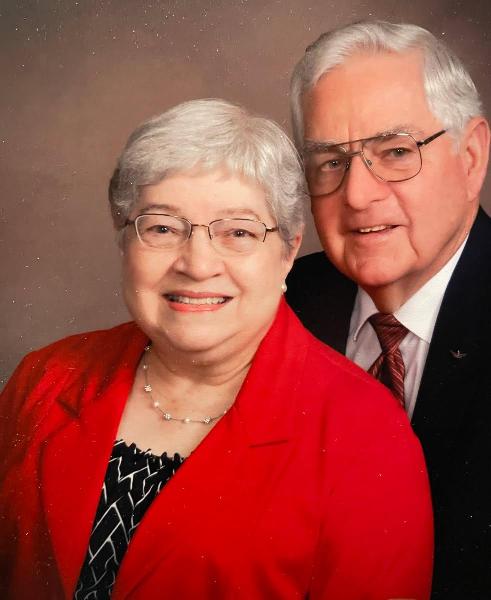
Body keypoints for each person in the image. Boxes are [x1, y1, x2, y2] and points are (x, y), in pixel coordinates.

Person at [0, 99, 432, 599]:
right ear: (124, 239)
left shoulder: (366, 433)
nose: (198, 264)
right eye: (162, 228)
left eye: (238, 232)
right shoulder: (46, 376)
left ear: (288, 250)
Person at [286, 20, 491, 599]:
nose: (357, 195)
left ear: (471, 157)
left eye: (396, 152)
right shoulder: (275, 304)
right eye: (331, 162)